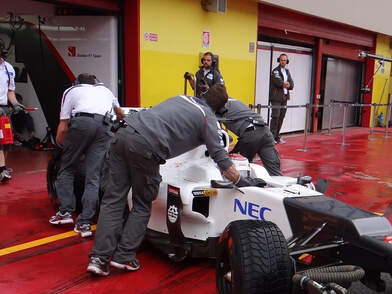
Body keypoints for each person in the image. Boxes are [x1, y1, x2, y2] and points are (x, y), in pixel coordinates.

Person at [86, 85, 242, 276]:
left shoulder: (181, 98)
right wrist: (239, 178)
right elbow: (218, 152)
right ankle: (124, 256)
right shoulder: (207, 117)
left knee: (112, 200)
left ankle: (98, 259)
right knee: (142, 203)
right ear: (219, 109)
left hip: (122, 136)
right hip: (146, 148)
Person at [50, 74, 125, 237]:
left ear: (77, 82)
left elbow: (63, 126)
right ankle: (85, 223)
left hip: (82, 123)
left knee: (67, 169)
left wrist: (60, 145)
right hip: (105, 126)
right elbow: (120, 114)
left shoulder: (72, 90)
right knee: (93, 176)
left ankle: (65, 212)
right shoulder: (106, 90)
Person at [220, 96, 283, 176]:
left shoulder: (215, 104)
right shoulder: (233, 100)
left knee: (238, 168)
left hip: (250, 134)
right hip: (265, 131)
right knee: (275, 172)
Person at [0, 43, 22, 183]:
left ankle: (2, 169)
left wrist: (15, 104)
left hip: (5, 110)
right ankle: (2, 170)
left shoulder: (8, 68)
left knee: (7, 141)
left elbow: (10, 91)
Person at [269, 53, 293, 144]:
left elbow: (292, 84)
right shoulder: (275, 71)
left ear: (287, 61)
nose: (283, 62)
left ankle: (277, 136)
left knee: (281, 117)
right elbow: (279, 82)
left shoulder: (287, 71)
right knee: (275, 116)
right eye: (282, 60)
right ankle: (271, 137)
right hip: (276, 98)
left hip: (285, 97)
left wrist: (287, 84)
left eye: (285, 60)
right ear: (279, 60)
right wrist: (285, 84)